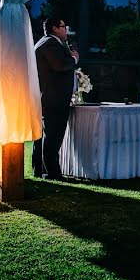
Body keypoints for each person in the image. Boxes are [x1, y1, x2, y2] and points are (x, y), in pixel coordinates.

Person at [34, 17, 79, 180]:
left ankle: (39, 170)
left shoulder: (43, 42)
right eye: (63, 26)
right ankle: (52, 172)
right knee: (54, 135)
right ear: (54, 28)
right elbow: (60, 65)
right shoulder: (50, 44)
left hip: (49, 96)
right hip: (54, 98)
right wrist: (74, 58)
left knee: (45, 136)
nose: (65, 29)